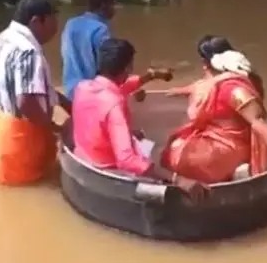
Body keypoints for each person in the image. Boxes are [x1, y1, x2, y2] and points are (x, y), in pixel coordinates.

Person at [72, 38, 208, 201]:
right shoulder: (114, 104)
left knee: (141, 139)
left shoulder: (82, 88)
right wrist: (178, 179)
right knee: (159, 152)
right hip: (110, 173)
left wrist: (150, 76)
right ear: (128, 67)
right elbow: (126, 160)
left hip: (84, 160)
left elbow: (121, 86)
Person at [161, 36, 267, 184]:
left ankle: (234, 171)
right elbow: (198, 87)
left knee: (179, 154)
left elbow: (257, 122)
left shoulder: (235, 90)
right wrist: (179, 91)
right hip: (215, 135)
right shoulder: (214, 82)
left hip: (233, 144)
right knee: (176, 142)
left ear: (205, 63)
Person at [0, 0, 72, 186]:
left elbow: (37, 88)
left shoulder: (3, 38)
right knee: (34, 190)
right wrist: (56, 129)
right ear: (36, 21)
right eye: (53, 20)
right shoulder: (28, 51)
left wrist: (69, 105)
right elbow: (26, 101)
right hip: (20, 140)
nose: (56, 27)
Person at [61, 0, 116, 100]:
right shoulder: (101, 29)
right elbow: (107, 65)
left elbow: (65, 55)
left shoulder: (71, 24)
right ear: (103, 5)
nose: (114, 9)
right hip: (92, 92)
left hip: (70, 90)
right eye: (113, 4)